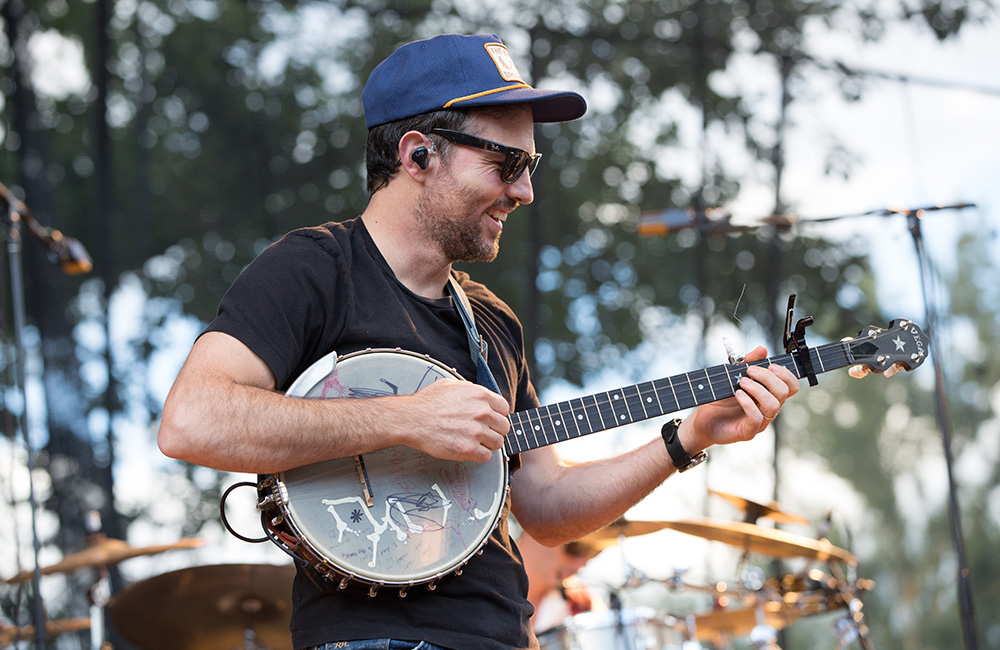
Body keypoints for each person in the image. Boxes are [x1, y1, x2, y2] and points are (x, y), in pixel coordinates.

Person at [158, 33, 799, 650]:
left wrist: (689, 438)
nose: (523, 191)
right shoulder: (314, 270)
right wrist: (405, 418)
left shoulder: (492, 321)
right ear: (417, 156)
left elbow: (545, 504)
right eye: (506, 164)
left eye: (530, 166)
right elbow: (192, 420)